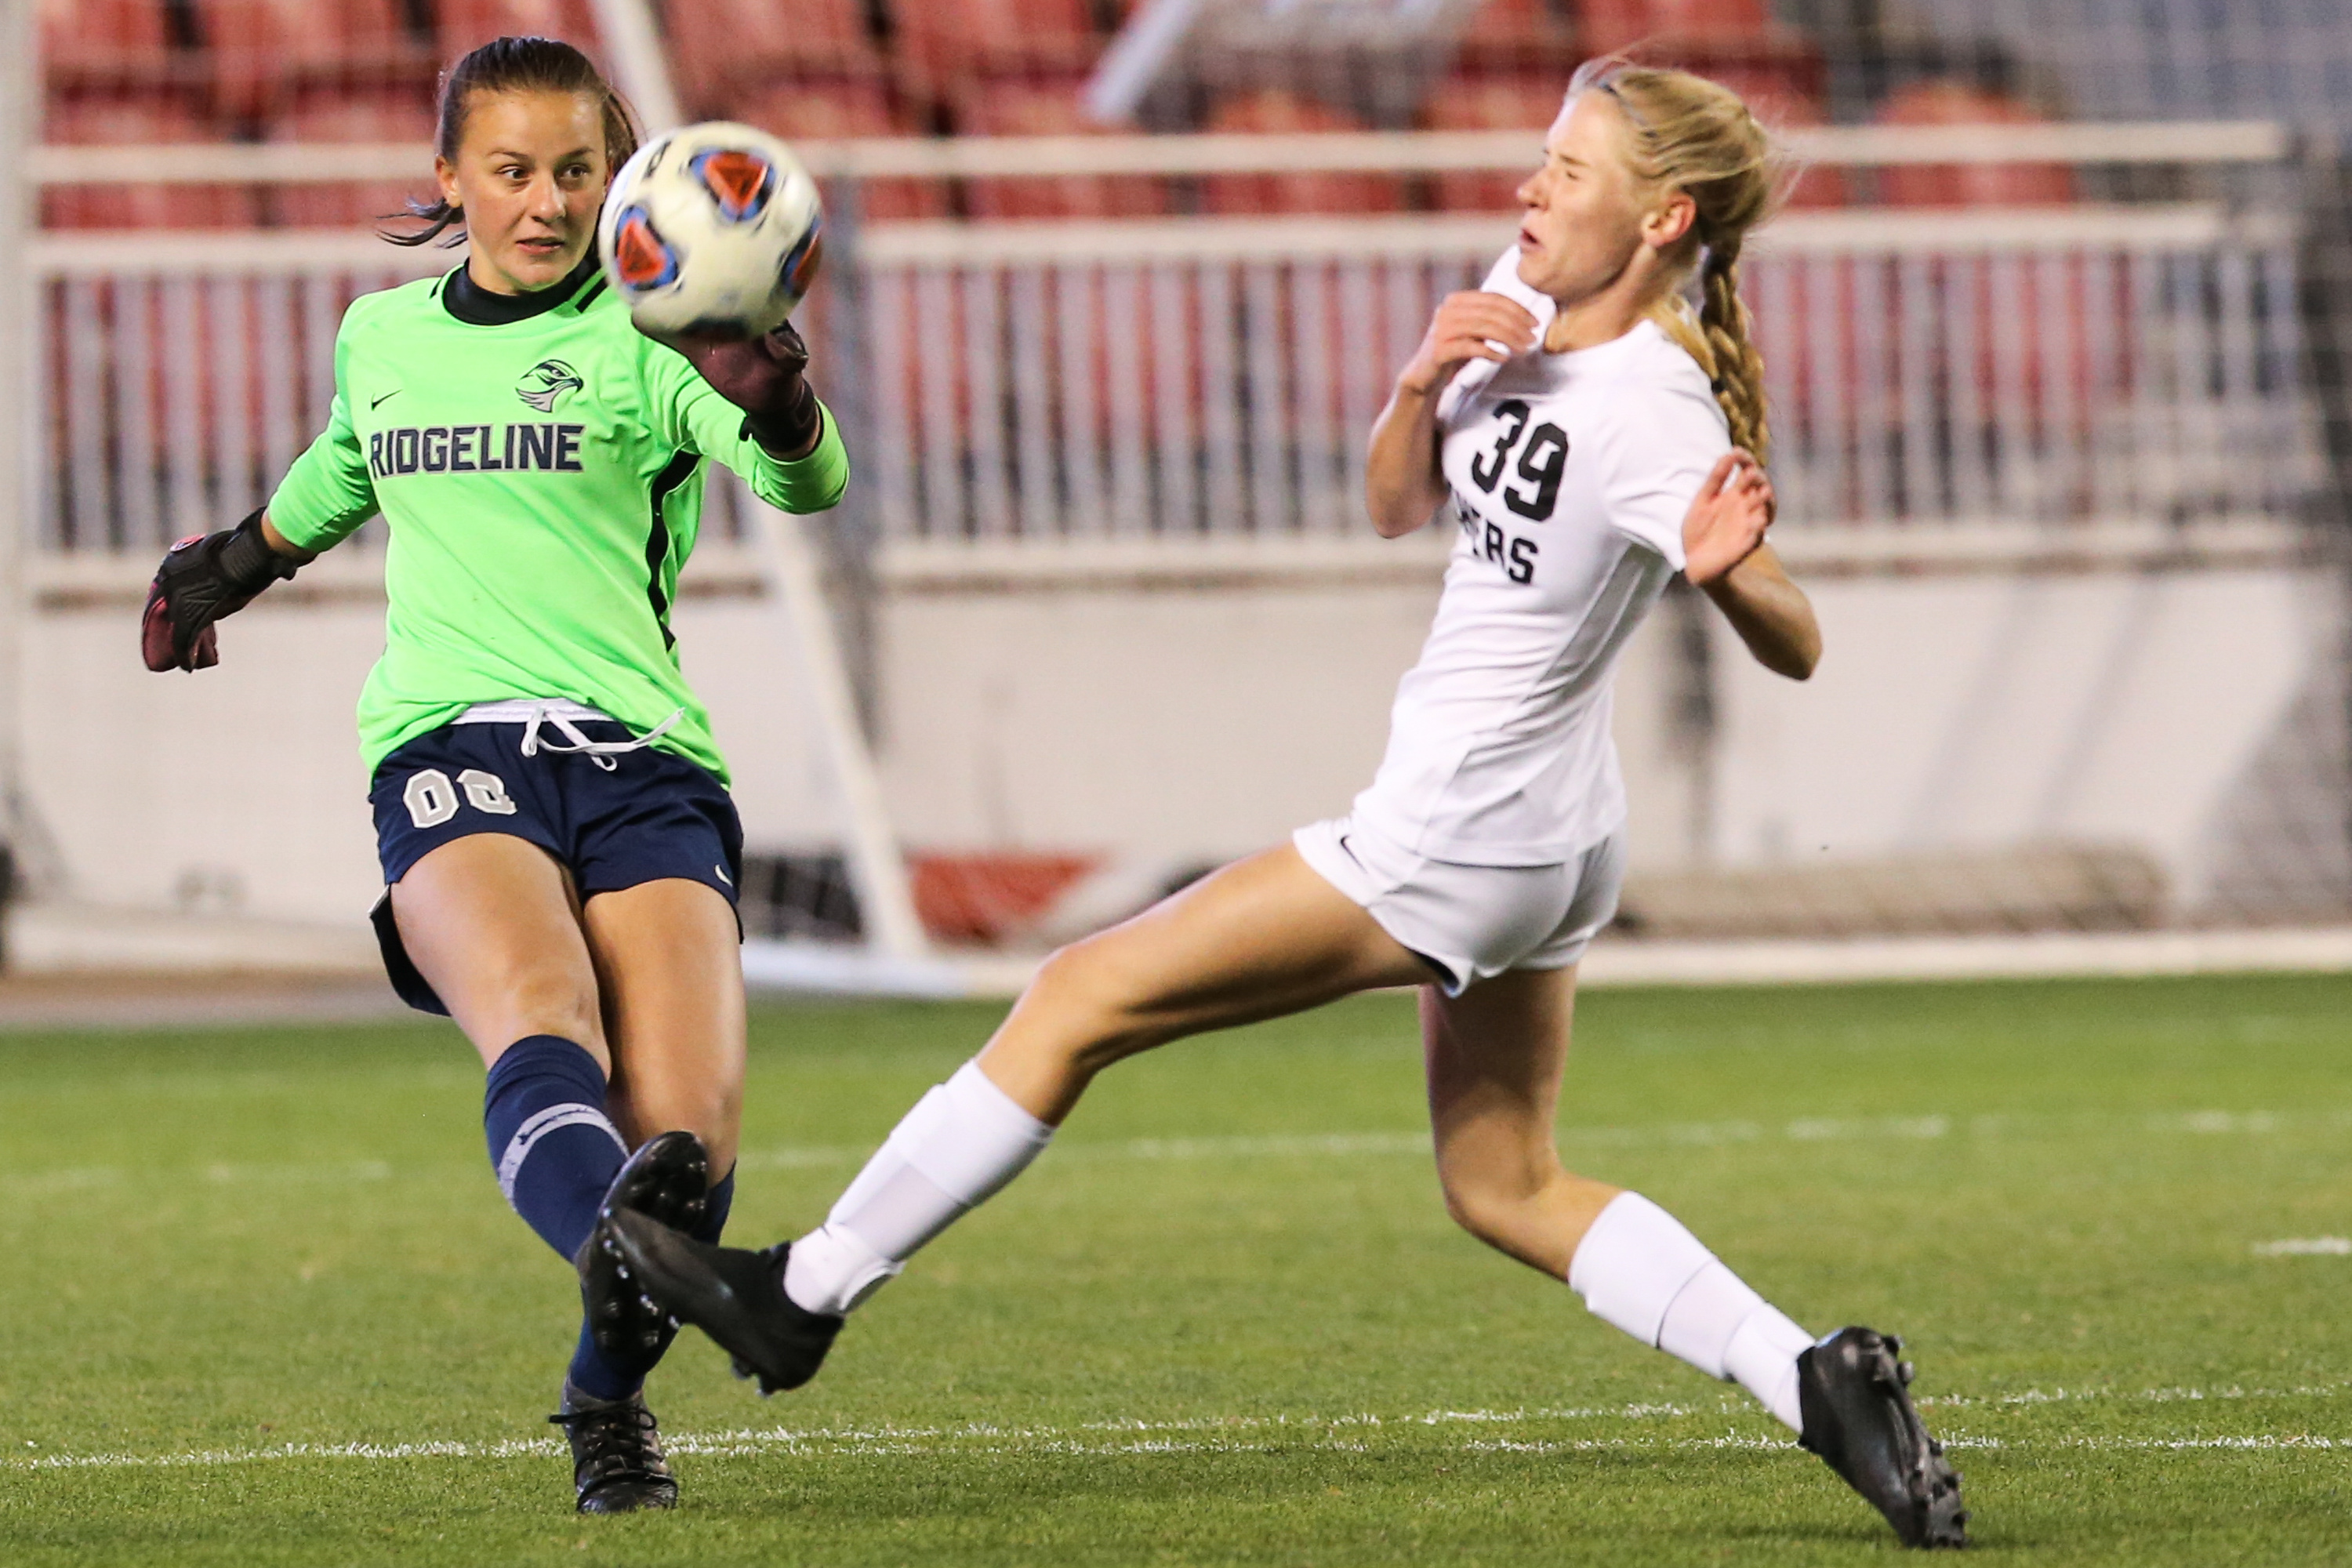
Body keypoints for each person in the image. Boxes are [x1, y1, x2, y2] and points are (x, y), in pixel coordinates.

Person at [605, 59, 1969, 1550]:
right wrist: (1418, 386)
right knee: (1506, 1182)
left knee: (1074, 998)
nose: (1531, 186)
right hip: (1551, 837)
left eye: (1570, 173)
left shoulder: (1653, 405)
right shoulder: (1519, 296)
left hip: (1459, 831)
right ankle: (1810, 1378)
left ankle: (799, 1300)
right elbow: (1396, 502)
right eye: (1544, 156)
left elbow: (1799, 638)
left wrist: (1728, 580)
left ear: (1664, 218)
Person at [138, 36, 848, 1515]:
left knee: (688, 1143)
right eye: (512, 171)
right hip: (449, 749)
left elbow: (803, 478)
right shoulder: (382, 334)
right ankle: (635, 1355)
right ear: (448, 176)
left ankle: (602, 1397)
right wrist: (231, 566)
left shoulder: (661, 334)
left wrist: (772, 391)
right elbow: (349, 465)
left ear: (616, 175)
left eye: (576, 171)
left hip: (643, 762)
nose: (545, 203)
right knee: (540, 1020)